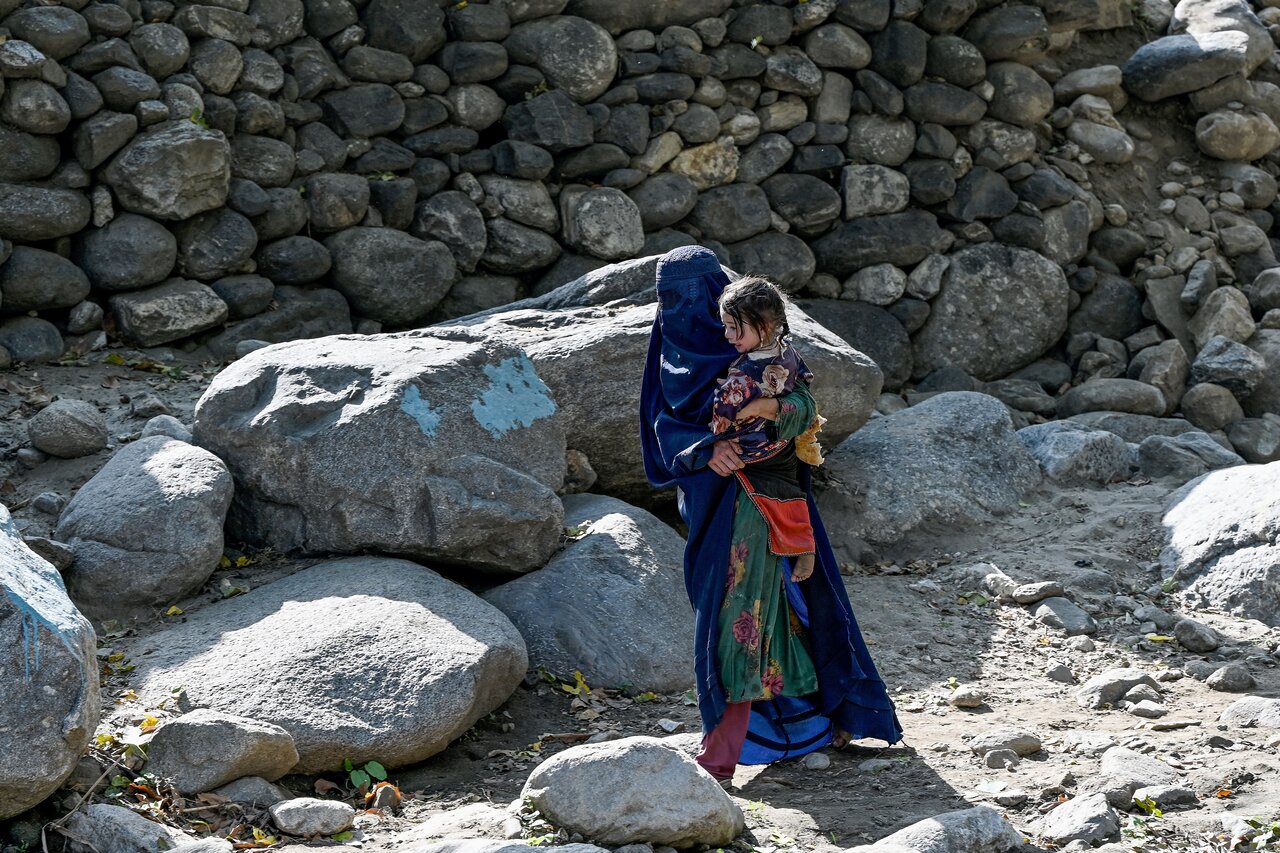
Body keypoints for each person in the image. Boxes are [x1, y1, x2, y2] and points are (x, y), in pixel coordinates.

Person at [640, 246, 903, 786]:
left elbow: (805, 410)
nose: (680, 309)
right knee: (732, 612)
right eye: (668, 297)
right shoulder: (669, 349)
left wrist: (774, 413)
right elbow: (660, 423)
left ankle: (748, 744)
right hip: (710, 504)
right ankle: (785, 731)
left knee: (778, 609)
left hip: (769, 499)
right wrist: (703, 448)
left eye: (690, 296)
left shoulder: (761, 352)